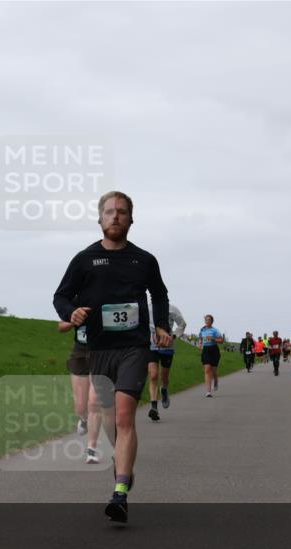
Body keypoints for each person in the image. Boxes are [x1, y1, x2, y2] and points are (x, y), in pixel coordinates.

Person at [53, 191, 170, 523]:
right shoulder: (84, 259)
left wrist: (162, 324)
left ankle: (120, 493)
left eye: (121, 211)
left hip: (134, 347)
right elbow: (60, 295)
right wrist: (71, 312)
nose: (115, 216)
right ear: (100, 218)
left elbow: (159, 294)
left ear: (131, 219)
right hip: (99, 350)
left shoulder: (144, 260)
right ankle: (123, 464)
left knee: (123, 416)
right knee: (108, 420)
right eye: (109, 211)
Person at [59, 319, 103, 463]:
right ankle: (84, 419)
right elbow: (61, 327)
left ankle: (91, 449)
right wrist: (74, 320)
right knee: (81, 407)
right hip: (80, 354)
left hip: (102, 352)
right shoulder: (76, 306)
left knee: (94, 402)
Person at [147, 304, 186, 421]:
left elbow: (182, 324)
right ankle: (154, 407)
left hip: (167, 346)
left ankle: (164, 389)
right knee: (153, 375)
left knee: (164, 376)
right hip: (151, 346)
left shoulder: (172, 309)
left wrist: (173, 336)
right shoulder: (147, 307)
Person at [197, 314, 225, 397]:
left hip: (214, 350)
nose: (207, 321)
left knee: (213, 371)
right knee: (207, 370)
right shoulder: (202, 330)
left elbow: (221, 340)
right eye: (206, 320)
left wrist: (213, 339)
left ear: (212, 321)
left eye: (209, 320)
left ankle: (215, 380)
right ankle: (208, 391)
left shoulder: (215, 330)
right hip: (206, 350)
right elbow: (200, 338)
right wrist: (200, 344)